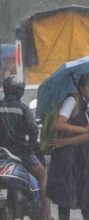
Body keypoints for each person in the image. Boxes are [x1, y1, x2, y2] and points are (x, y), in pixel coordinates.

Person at [46, 73, 89, 220]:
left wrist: (68, 141)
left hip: (83, 155)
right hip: (66, 156)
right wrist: (83, 129)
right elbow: (60, 123)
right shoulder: (72, 100)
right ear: (81, 88)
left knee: (86, 196)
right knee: (65, 196)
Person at [0, 76, 52, 220]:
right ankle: (46, 215)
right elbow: (33, 131)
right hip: (21, 153)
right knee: (43, 175)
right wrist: (31, 145)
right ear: (20, 91)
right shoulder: (23, 108)